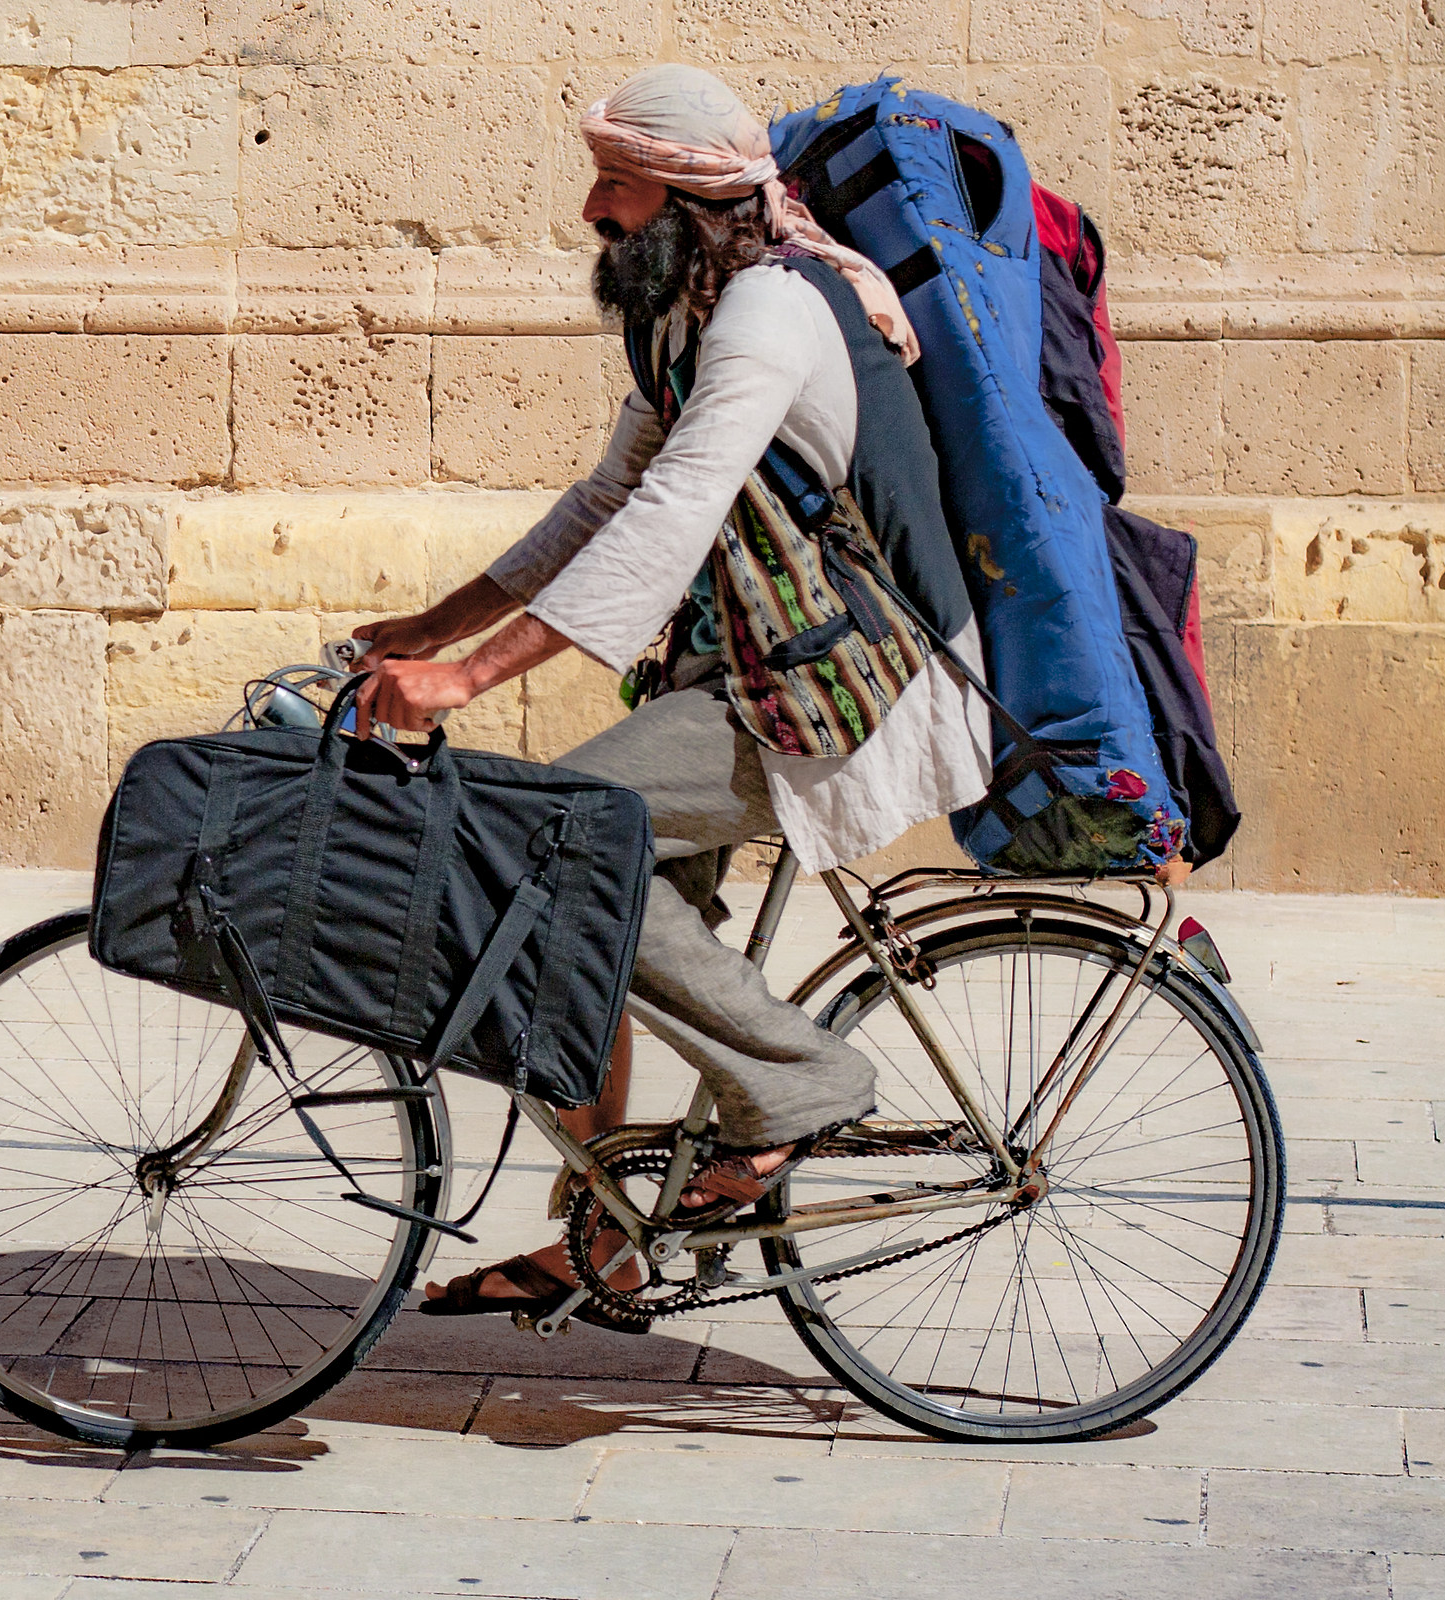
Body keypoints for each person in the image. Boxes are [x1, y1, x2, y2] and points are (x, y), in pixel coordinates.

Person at [350, 64, 996, 1328]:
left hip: (854, 677)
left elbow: (671, 514)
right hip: (755, 669)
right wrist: (435, 622)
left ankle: (799, 1084)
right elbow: (602, 499)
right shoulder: (686, 314)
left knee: (559, 838)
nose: (592, 209)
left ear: (690, 199)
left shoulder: (770, 313)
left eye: (616, 187)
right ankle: (612, 1236)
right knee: (572, 915)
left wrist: (467, 676)